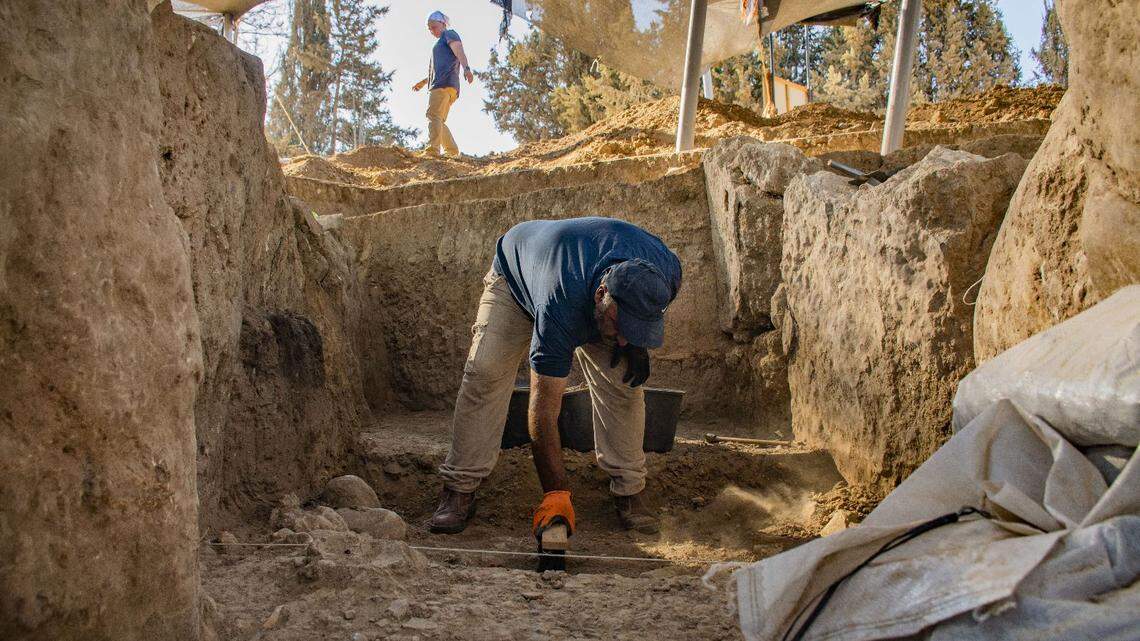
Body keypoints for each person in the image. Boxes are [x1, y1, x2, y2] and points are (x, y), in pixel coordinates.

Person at [429, 217, 683, 543]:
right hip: (516, 279)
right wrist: (556, 494)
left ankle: (630, 490)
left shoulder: (666, 273)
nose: (622, 340)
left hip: (581, 279)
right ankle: (459, 487)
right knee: (485, 374)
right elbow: (544, 411)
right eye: (622, 327)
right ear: (601, 294)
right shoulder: (559, 303)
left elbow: (633, 319)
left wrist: (635, 340)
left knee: (624, 385)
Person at [412, 11, 474, 157]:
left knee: (432, 115)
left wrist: (467, 68)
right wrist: (422, 82)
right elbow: (439, 69)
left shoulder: (449, 34)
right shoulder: (441, 43)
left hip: (442, 84)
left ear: (443, 23)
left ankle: (432, 150)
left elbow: (459, 51)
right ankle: (452, 151)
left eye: (434, 27)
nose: (432, 30)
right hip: (447, 84)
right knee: (439, 119)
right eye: (429, 28)